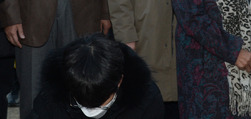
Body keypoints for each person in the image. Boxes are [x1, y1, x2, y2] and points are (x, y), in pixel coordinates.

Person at [31, 33, 164, 119]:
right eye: (79, 104)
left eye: (102, 107)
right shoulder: (52, 95)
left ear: (119, 81)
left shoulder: (146, 99)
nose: (90, 112)